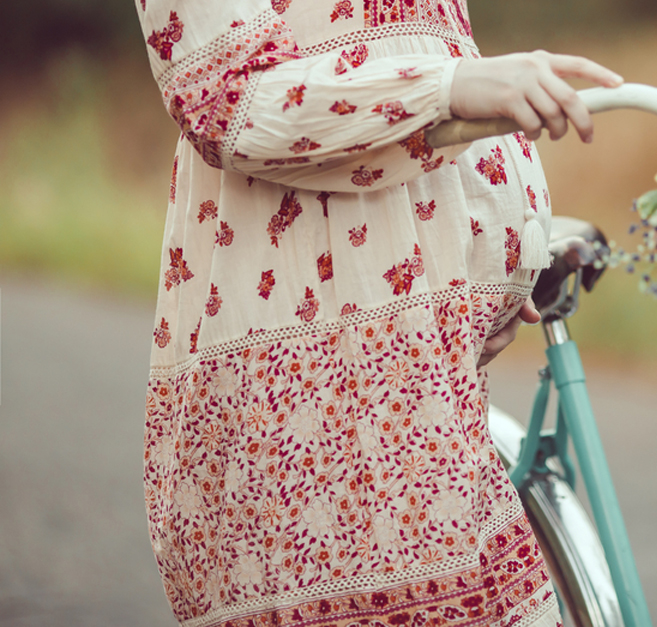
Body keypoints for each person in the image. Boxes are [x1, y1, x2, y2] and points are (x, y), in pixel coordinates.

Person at [136, 1, 622, 625]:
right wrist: (454, 87)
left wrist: (501, 243)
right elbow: (227, 102)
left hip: (431, 371)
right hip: (322, 376)